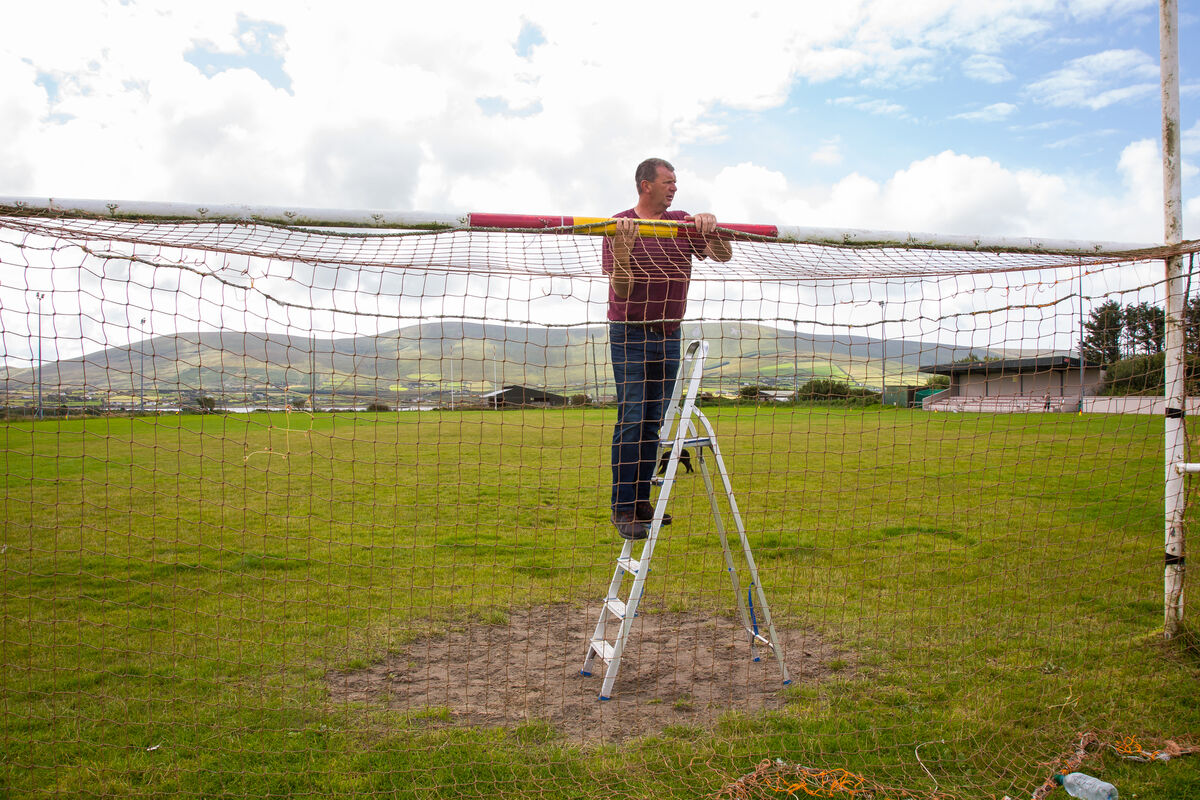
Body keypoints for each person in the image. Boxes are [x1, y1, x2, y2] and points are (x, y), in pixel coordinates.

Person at [602, 158, 733, 539]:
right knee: (632, 419)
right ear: (646, 186)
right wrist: (623, 249)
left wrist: (713, 227)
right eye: (667, 182)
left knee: (654, 422)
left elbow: (722, 255)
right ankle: (623, 508)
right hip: (630, 334)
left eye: (675, 182)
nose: (674, 188)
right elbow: (622, 290)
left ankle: (642, 500)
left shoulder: (681, 222)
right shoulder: (619, 225)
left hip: (669, 333)